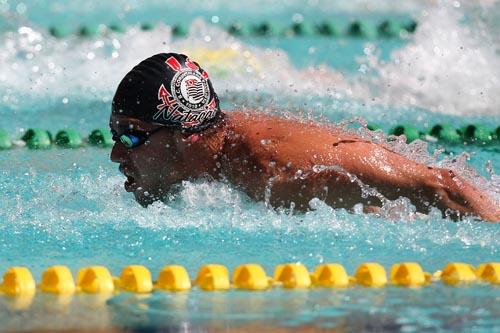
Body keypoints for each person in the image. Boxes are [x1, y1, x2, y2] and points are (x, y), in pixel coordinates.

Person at [110, 53, 500, 223]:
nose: (115, 155)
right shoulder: (213, 149)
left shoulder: (280, 172)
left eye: (130, 137)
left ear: (186, 136)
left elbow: (440, 186)